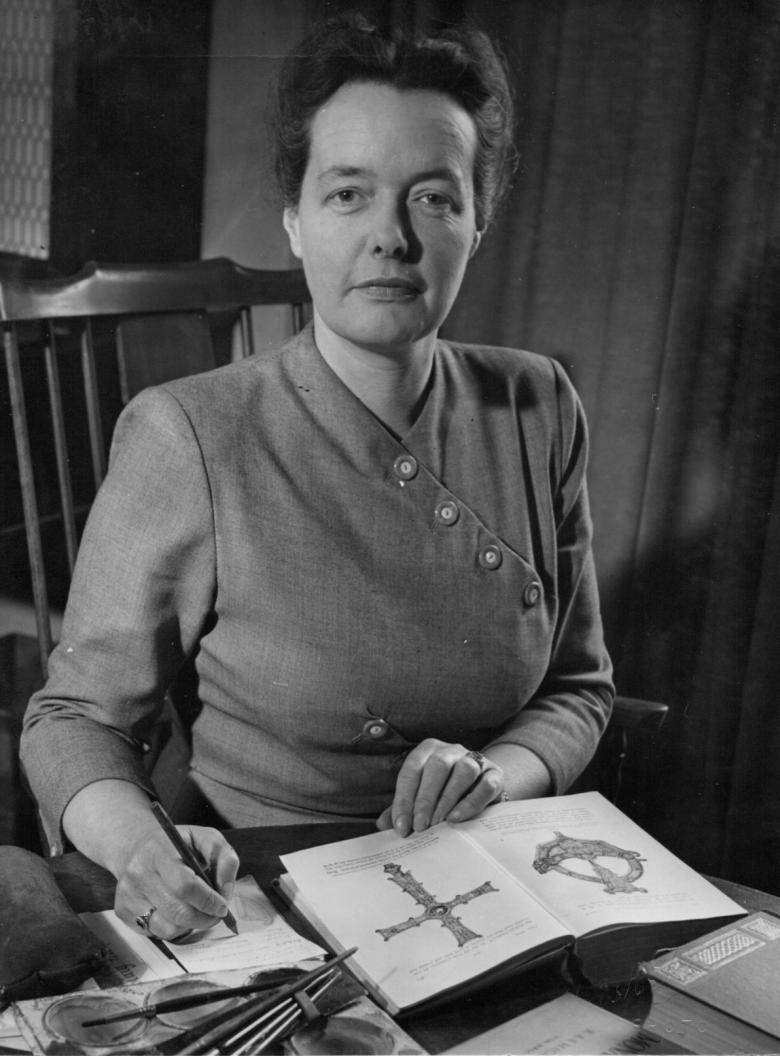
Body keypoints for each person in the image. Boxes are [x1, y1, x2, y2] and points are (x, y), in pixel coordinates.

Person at [20, 14, 613, 943]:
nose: (390, 238)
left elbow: (578, 687)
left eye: (432, 198)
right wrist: (139, 850)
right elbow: (73, 719)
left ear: (478, 223)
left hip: (485, 881)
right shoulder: (190, 432)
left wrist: (501, 770)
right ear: (296, 223)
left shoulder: (537, 403)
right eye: (348, 194)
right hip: (260, 897)